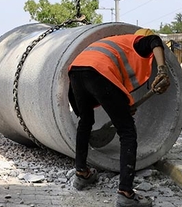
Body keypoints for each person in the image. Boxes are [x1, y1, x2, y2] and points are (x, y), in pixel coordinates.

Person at [67, 28, 171, 207]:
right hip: (97, 71)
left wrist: (121, 107)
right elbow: (155, 40)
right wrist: (162, 71)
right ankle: (126, 194)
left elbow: (109, 86)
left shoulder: (115, 44)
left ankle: (81, 174)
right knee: (127, 131)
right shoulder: (137, 42)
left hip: (76, 71)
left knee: (85, 120)